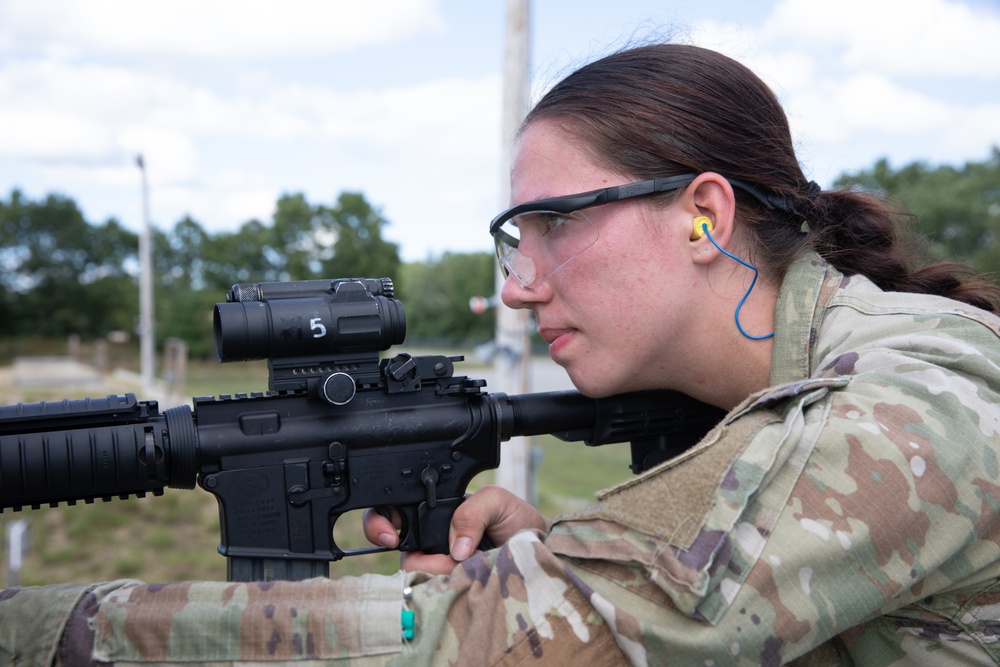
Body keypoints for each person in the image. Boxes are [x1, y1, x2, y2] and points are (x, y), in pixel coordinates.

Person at [2, 42, 1000, 666]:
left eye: (550, 225)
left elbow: (486, 646)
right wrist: (556, 553)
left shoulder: (906, 409)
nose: (518, 284)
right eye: (509, 243)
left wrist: (40, 628)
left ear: (702, 216)